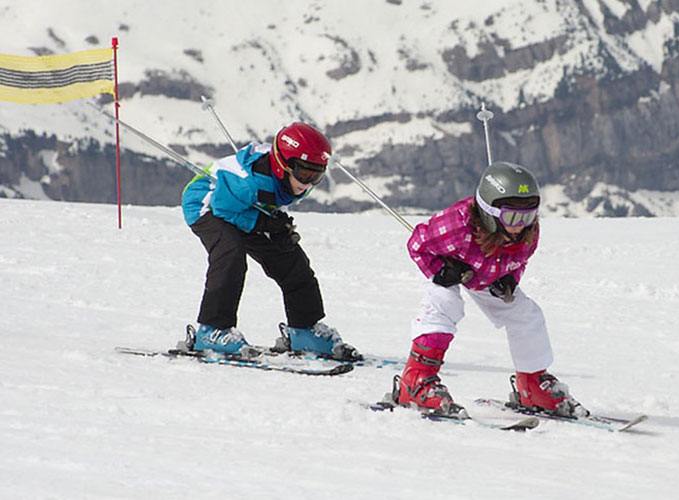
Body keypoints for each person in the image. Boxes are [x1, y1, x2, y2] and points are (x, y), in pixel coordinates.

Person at [392, 161, 587, 417]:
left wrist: (510, 279)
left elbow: (519, 260)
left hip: (488, 275)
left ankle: (531, 384)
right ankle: (415, 381)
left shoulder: (528, 232)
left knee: (525, 313)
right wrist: (439, 271)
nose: (520, 224)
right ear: (488, 210)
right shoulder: (456, 225)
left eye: (529, 215)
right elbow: (417, 243)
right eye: (512, 216)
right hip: (452, 267)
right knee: (445, 304)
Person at [181, 122, 361, 361]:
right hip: (208, 205)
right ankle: (212, 330)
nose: (307, 183)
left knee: (290, 258)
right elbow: (224, 209)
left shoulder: (286, 178)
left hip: (247, 207)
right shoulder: (248, 182)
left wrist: (273, 224)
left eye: (316, 175)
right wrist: (264, 224)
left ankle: (304, 329)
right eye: (304, 173)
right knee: (230, 254)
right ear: (283, 165)